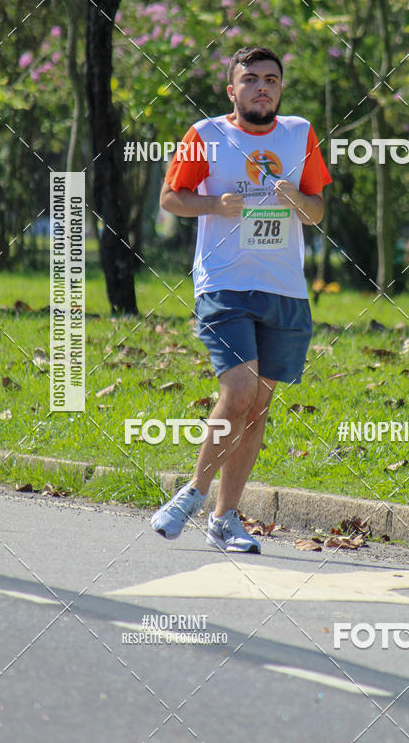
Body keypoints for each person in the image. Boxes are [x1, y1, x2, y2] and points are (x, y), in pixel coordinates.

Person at [150, 46, 332, 553]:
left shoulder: (300, 134)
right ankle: (192, 494)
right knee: (238, 389)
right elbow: (170, 198)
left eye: (271, 79)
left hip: (285, 289)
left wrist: (298, 199)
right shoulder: (204, 135)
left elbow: (316, 211)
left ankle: (224, 519)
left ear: (280, 88)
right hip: (223, 284)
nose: (262, 87)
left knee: (257, 409)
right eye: (250, 79)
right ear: (232, 90)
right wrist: (216, 203)